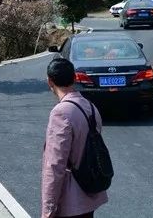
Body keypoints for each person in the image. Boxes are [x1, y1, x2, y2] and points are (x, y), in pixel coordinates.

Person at [41, 58, 108, 218]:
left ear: (50, 81)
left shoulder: (60, 113)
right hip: (89, 192)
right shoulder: (90, 107)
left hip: (70, 200)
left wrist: (48, 209)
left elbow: (55, 164)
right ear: (75, 78)